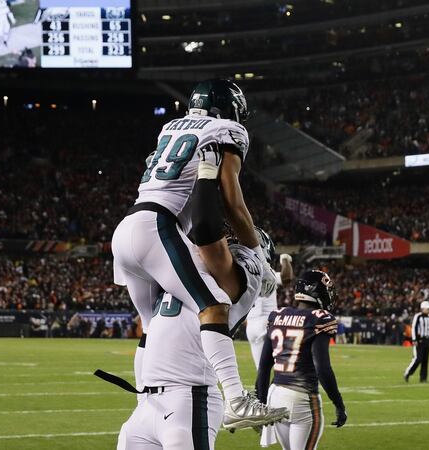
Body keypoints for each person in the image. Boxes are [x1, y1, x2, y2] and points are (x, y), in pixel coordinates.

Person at [111, 79, 282, 430]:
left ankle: (147, 402)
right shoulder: (228, 129)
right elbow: (233, 204)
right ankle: (236, 399)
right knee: (214, 305)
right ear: (230, 107)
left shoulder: (169, 127)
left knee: (151, 323)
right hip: (157, 227)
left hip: (127, 226)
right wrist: (257, 255)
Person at [108, 232, 286, 449]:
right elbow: (148, 334)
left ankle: (237, 399)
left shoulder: (237, 275)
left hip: (188, 399)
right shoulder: (193, 272)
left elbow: (208, 240)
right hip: (149, 401)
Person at [256, 269, 346, 450]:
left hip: (276, 395)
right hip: (302, 398)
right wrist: (339, 404)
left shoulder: (277, 315)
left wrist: (261, 403)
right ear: (315, 290)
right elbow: (322, 368)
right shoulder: (319, 319)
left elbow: (264, 366)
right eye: (326, 288)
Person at [246, 248, 294, 369]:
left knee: (261, 369)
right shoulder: (266, 271)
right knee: (284, 365)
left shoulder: (244, 272)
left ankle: (262, 388)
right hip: (267, 321)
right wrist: (285, 259)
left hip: (251, 325)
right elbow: (286, 277)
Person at [404, 301, 429, 383]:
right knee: (417, 359)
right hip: (420, 340)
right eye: (427, 308)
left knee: (425, 360)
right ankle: (408, 373)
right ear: (423, 308)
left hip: (427, 340)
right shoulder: (418, 316)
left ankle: (423, 378)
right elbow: (414, 328)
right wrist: (414, 339)